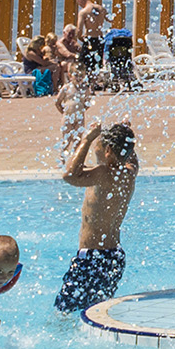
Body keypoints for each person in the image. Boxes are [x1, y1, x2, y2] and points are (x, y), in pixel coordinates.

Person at [54, 123, 139, 316]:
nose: (94, 148)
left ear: (108, 150)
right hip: (114, 257)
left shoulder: (102, 174)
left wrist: (87, 139)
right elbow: (130, 155)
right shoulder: (130, 172)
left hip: (92, 258)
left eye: (97, 144)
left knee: (63, 315)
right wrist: (126, 134)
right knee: (96, 312)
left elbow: (69, 175)